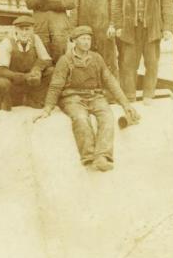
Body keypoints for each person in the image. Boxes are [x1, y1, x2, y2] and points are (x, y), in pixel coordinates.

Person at [35, 26, 140, 172]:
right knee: (81, 118)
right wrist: (47, 109)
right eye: (83, 39)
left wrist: (125, 104)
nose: (86, 42)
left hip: (95, 96)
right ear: (75, 41)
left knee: (107, 116)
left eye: (88, 39)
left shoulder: (96, 58)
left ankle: (102, 156)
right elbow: (55, 86)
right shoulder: (65, 61)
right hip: (72, 98)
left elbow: (110, 81)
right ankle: (89, 157)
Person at [113, 0, 173, 104]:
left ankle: (148, 95)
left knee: (151, 62)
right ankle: (130, 96)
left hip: (152, 28)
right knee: (128, 63)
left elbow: (167, 5)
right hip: (130, 28)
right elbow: (117, 4)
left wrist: (167, 28)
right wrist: (119, 25)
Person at [0, 15, 54, 111]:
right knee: (2, 83)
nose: (24, 33)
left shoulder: (35, 38)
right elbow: (1, 70)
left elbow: (47, 60)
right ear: (16, 29)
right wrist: (23, 76)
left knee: (51, 71)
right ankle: (7, 103)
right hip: (14, 80)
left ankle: (34, 99)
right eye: (21, 29)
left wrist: (36, 70)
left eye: (27, 29)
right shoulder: (7, 42)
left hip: (31, 80)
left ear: (32, 30)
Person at [75, 0, 117, 76]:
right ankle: (91, 87)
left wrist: (112, 25)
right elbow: (74, 7)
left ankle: (110, 89)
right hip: (85, 29)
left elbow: (114, 5)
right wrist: (74, 30)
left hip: (104, 29)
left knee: (108, 60)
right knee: (86, 58)